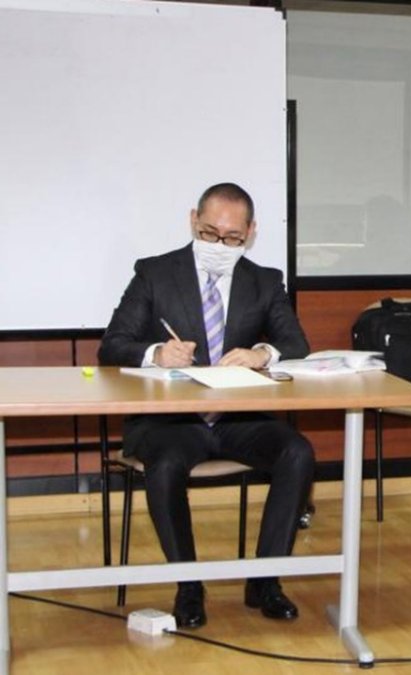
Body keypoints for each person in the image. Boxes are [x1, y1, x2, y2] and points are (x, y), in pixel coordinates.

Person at [98, 183, 315, 629]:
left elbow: (296, 343)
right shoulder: (155, 274)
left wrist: (261, 354)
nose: (219, 245)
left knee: (298, 451)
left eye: (232, 238)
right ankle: (189, 585)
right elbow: (112, 345)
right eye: (209, 232)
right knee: (164, 466)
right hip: (171, 421)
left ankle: (264, 580)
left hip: (238, 419)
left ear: (251, 233)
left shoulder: (265, 281)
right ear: (193, 220)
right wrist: (156, 352)